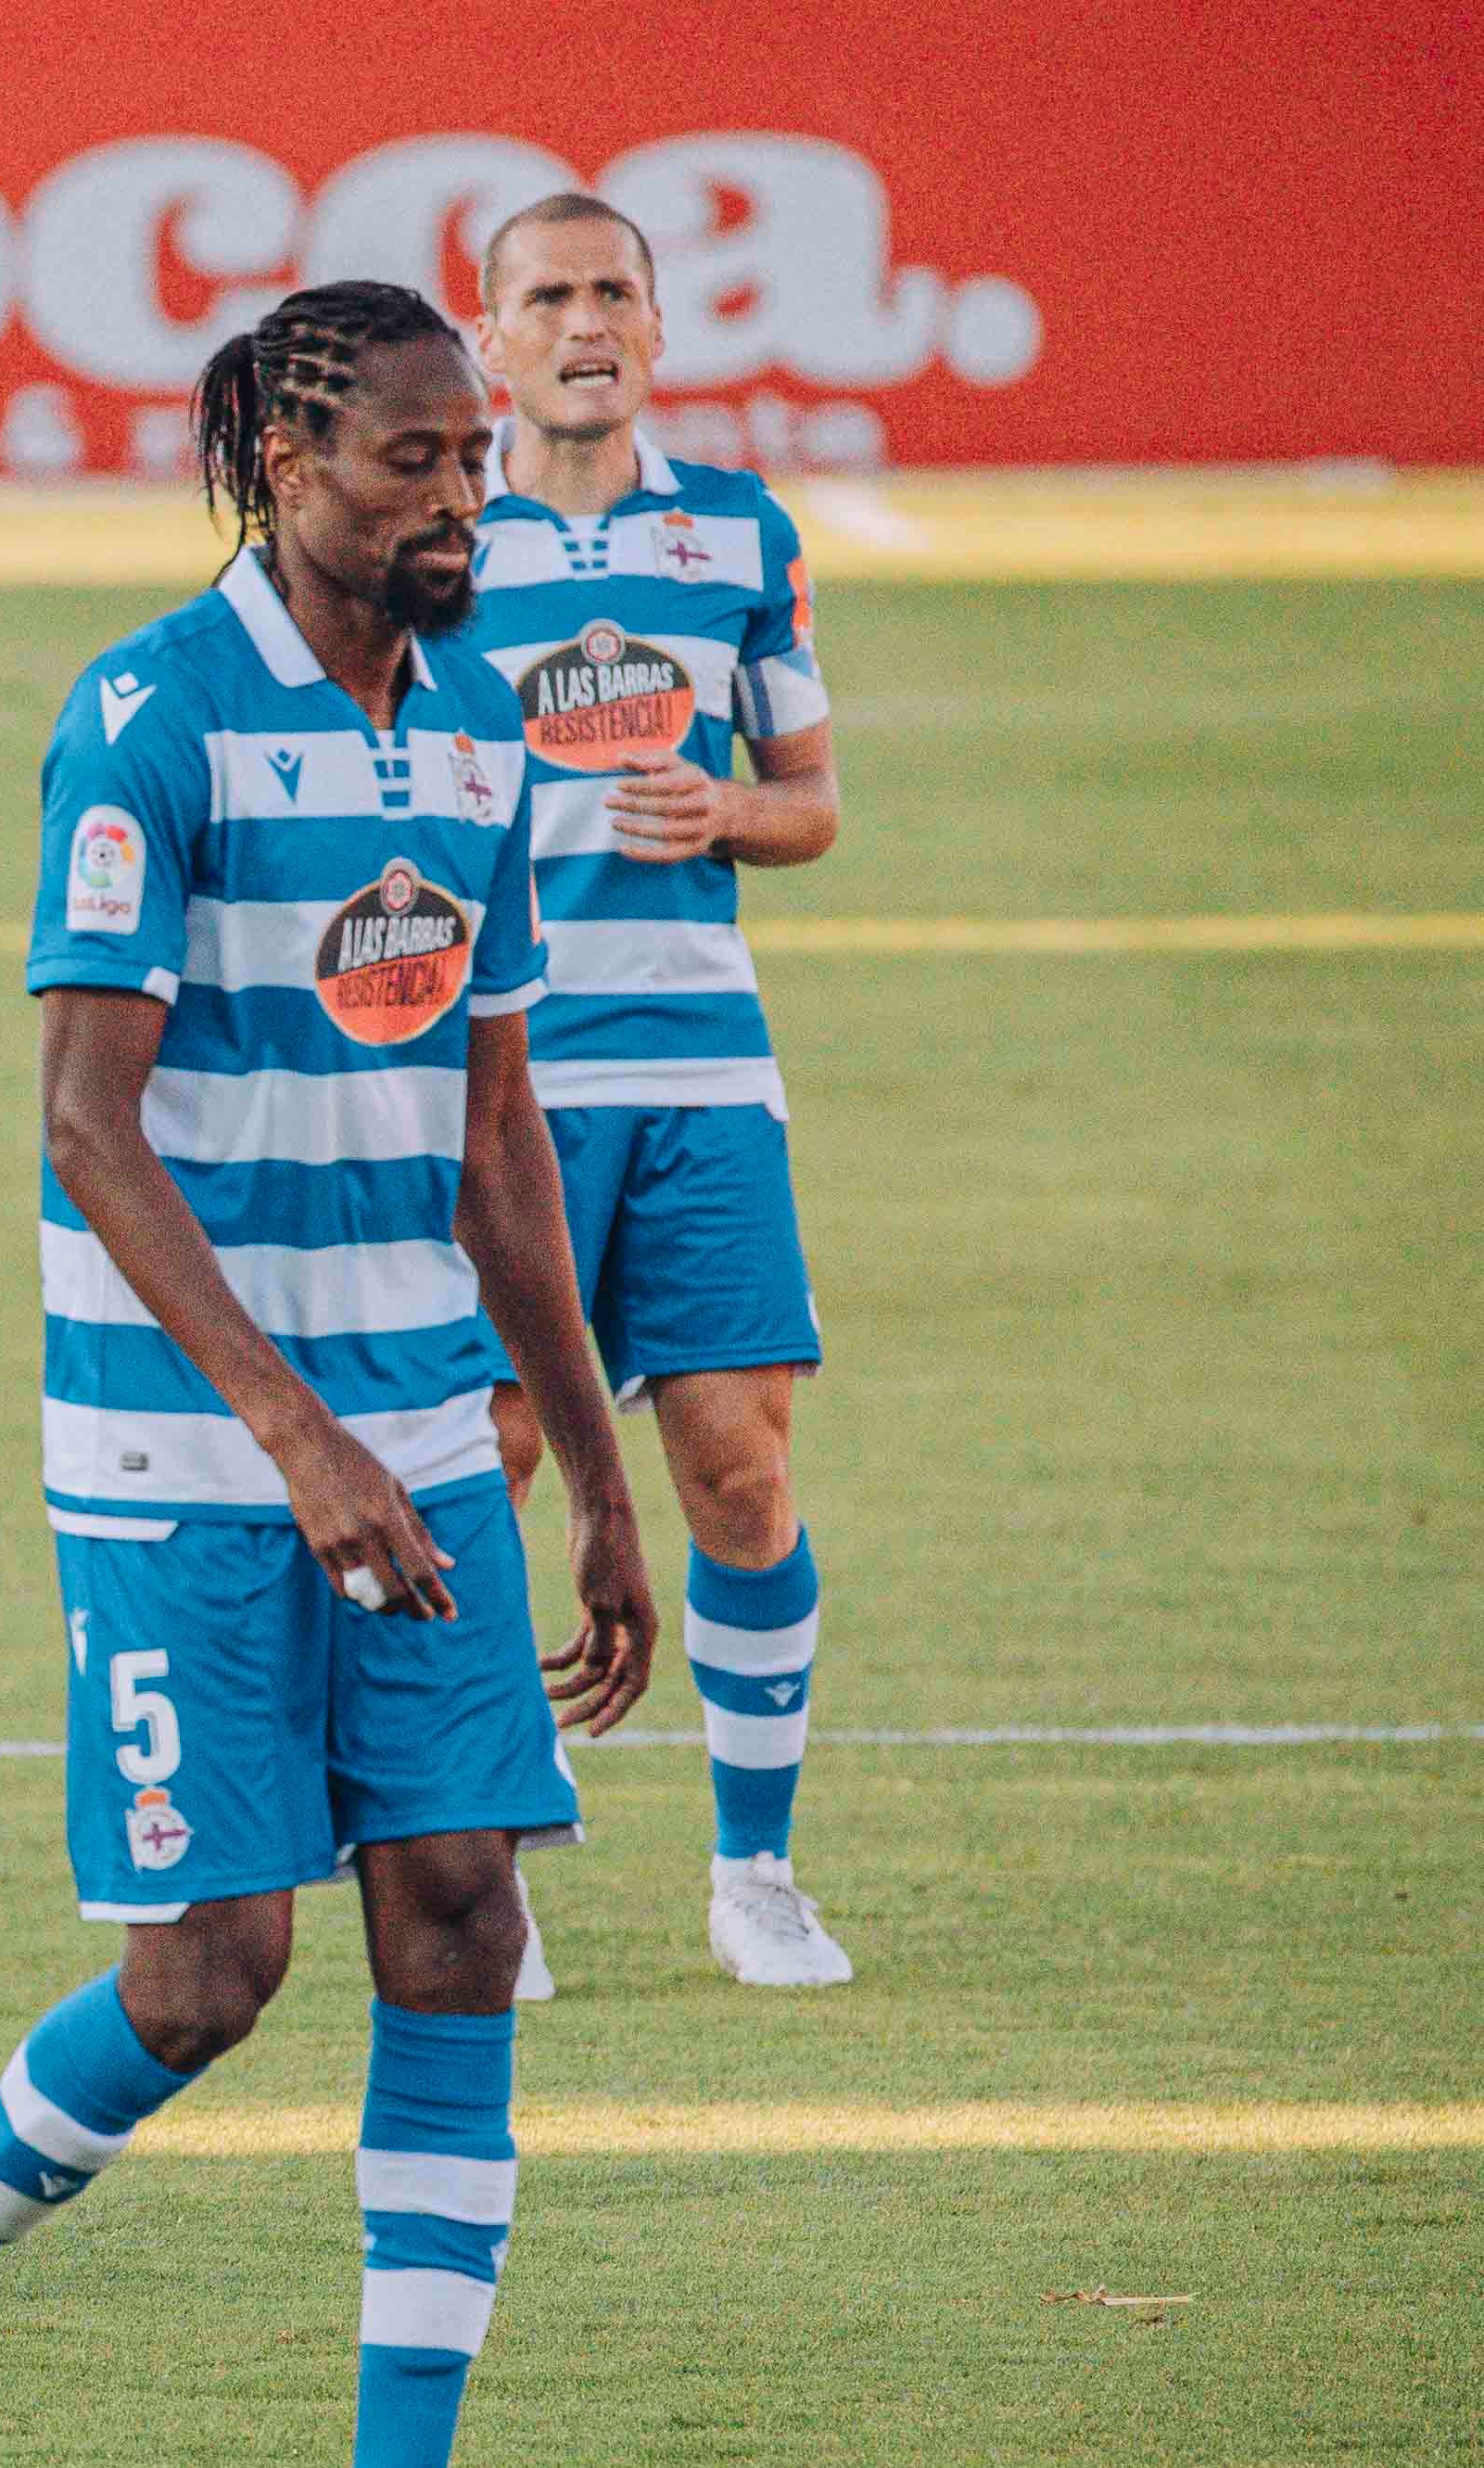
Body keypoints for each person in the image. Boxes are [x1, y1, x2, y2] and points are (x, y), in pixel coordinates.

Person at [0, 284, 657, 2468]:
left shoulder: (483, 728)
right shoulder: (149, 724)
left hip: (419, 1446)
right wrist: (295, 1441)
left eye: (474, 459)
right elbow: (84, 1125)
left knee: (461, 1915)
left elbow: (503, 1142)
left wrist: (591, 1468)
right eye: (413, 464)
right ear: (284, 469)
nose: (460, 500)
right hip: (187, 1448)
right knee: (212, 1973)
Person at [469, 192, 852, 1990]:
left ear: (661, 324)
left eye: (613, 287)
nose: (584, 319)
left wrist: (728, 814)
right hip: (495, 1077)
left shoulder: (739, 534)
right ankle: (493, 1861)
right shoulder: (432, 533)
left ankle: (755, 1873)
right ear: (489, 340)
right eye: (546, 294)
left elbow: (812, 803)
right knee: (485, 1456)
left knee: (738, 1472)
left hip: (700, 1065)